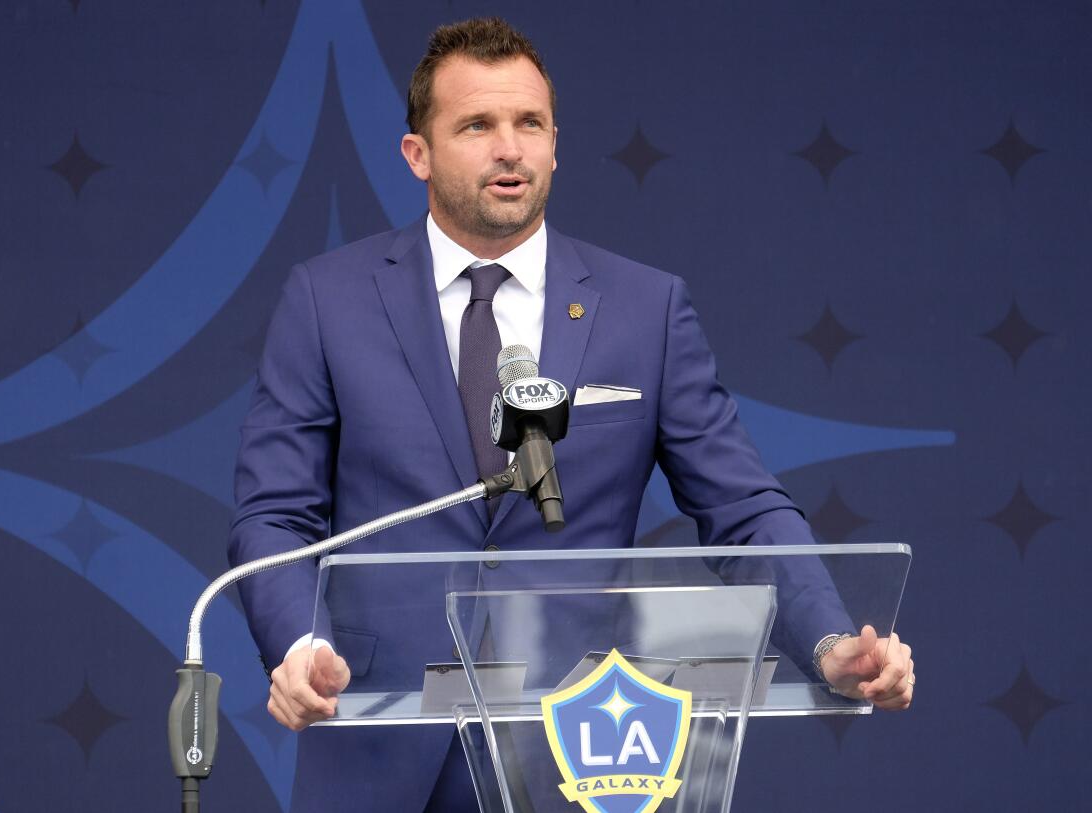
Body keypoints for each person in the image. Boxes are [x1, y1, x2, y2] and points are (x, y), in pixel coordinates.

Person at [228, 17, 914, 811]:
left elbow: (744, 509)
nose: (509, 148)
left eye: (529, 124)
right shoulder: (328, 300)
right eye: (477, 125)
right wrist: (298, 645)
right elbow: (275, 515)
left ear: (556, 144)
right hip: (378, 736)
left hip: (581, 745)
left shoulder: (645, 309)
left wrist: (830, 642)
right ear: (417, 153)